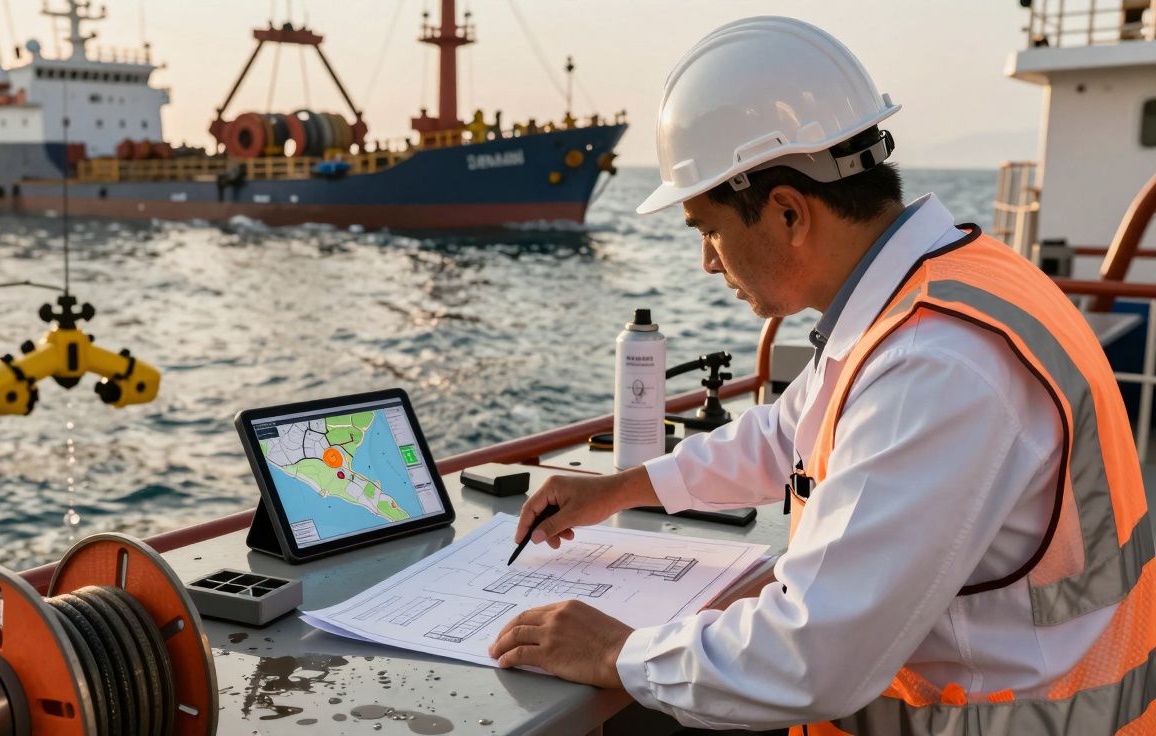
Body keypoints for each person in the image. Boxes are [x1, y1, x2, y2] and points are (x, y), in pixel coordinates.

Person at [488, 16, 1156, 735]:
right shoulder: (945, 287)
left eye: (708, 230)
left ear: (786, 212)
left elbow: (807, 658)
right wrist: (619, 488)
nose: (708, 263)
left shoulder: (934, 365)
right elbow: (782, 434)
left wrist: (617, 652)